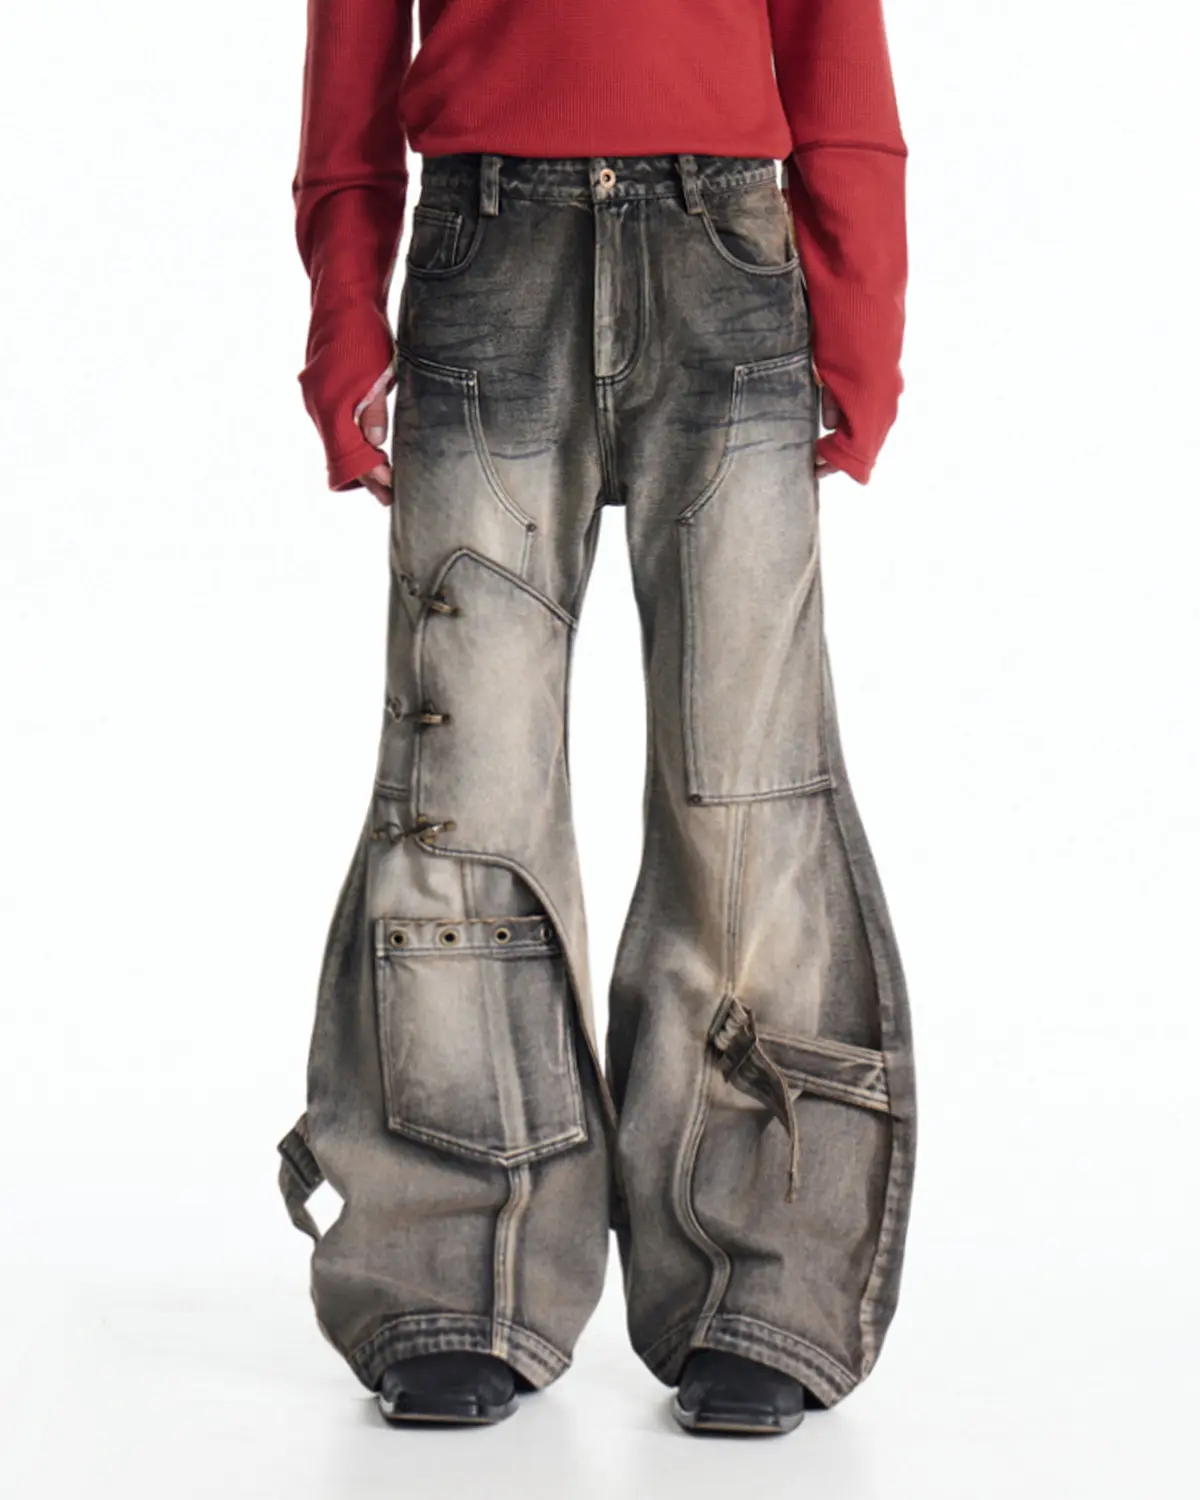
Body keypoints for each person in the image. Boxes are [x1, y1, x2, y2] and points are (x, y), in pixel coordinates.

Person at [277, 0, 916, 1438]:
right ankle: (461, 1268)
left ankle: (756, 1280)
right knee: (464, 777)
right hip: (485, 252)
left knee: (745, 786)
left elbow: (831, 32)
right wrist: (343, 312)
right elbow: (352, 40)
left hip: (727, 258)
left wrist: (860, 315)